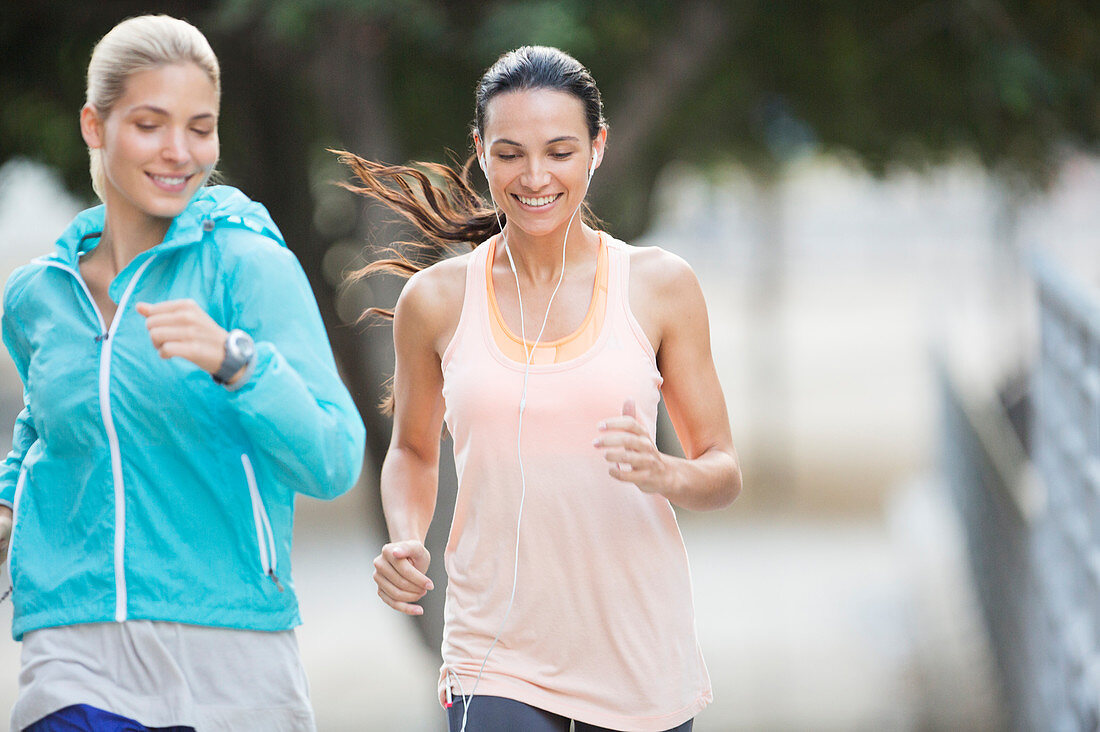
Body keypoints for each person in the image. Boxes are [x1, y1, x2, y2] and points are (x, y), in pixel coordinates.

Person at [338, 46, 741, 732]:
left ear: (597, 147)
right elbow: (410, 449)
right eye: (510, 153)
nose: (534, 177)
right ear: (480, 152)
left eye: (559, 151)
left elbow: (722, 470)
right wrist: (406, 537)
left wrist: (666, 472)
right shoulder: (435, 300)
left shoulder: (660, 286)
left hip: (639, 658)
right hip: (495, 655)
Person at [0, 15, 365, 732]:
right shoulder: (37, 296)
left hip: (230, 657)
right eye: (149, 123)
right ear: (93, 126)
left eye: (200, 127)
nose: (178, 151)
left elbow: (333, 458)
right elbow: (45, 425)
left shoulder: (246, 266)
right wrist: (7, 504)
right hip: (72, 647)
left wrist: (238, 365)